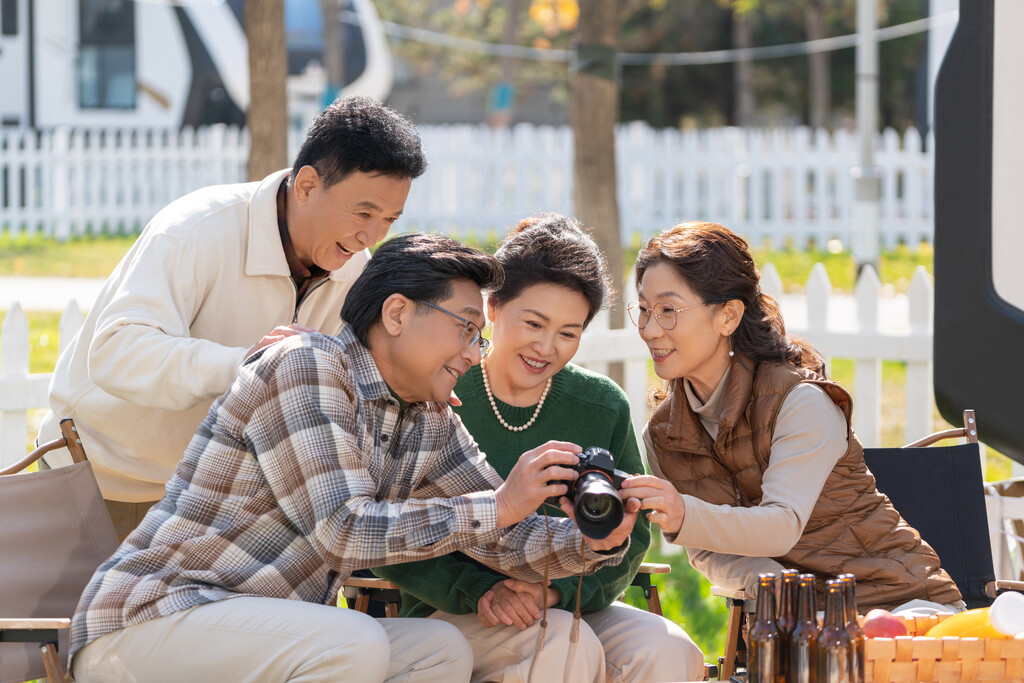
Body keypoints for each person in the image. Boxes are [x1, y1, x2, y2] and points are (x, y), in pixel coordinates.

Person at [69, 232, 638, 683]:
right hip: (156, 621)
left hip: (273, 631)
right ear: (396, 314)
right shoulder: (306, 367)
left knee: (437, 651)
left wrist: (592, 540)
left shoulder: (428, 417)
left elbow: (504, 537)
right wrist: (502, 503)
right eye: (467, 329)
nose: (473, 352)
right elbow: (343, 531)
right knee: (355, 642)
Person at [37, 96, 426, 539]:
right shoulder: (197, 228)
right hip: (100, 485)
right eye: (364, 212)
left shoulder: (353, 266)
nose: (371, 236)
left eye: (389, 219)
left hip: (215, 502)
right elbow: (115, 351)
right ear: (306, 185)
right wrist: (248, 367)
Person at [375, 214, 704, 683]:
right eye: (534, 322)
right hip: (449, 610)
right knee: (562, 648)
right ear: (493, 308)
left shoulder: (600, 404)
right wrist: (479, 590)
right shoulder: (439, 385)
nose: (547, 347)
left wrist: (554, 593)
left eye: (568, 333)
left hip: (571, 601)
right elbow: (385, 528)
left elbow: (631, 536)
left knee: (668, 651)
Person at [620, 221, 964, 614]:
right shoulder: (663, 435)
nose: (649, 330)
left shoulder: (801, 402)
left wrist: (682, 512)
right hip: (794, 623)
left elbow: (781, 525)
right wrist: (772, 584)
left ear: (728, 316)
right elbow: (707, 552)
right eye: (644, 309)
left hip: (899, 602)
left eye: (667, 310)